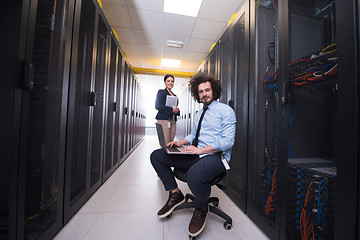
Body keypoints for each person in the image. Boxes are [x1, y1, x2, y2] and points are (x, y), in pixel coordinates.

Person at [150, 72, 236, 237]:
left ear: (214, 91)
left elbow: (227, 142)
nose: (204, 94)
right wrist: (180, 143)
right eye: (201, 92)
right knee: (157, 156)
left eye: (207, 90)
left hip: (216, 157)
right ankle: (175, 194)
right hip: (196, 154)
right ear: (198, 94)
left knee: (194, 174)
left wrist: (200, 150)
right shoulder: (199, 114)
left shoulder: (225, 111)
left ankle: (201, 207)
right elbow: (192, 136)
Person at [155, 74, 180, 144]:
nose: (170, 83)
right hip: (164, 120)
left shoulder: (175, 96)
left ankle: (169, 155)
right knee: (165, 143)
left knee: (171, 142)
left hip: (173, 121)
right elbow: (157, 106)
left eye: (172, 81)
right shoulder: (161, 92)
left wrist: (177, 111)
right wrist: (171, 110)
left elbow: (175, 108)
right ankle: (164, 155)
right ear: (164, 82)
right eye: (168, 81)